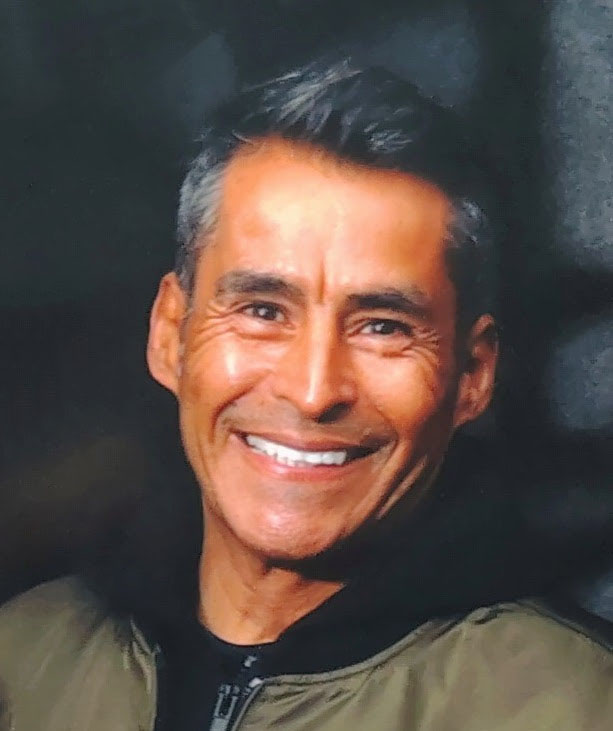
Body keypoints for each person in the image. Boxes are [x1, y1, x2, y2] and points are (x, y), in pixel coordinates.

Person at [1, 60, 611, 731]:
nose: (314, 391)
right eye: (263, 311)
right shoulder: (24, 660)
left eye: (382, 326)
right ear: (170, 334)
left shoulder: (568, 705)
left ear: (472, 376)